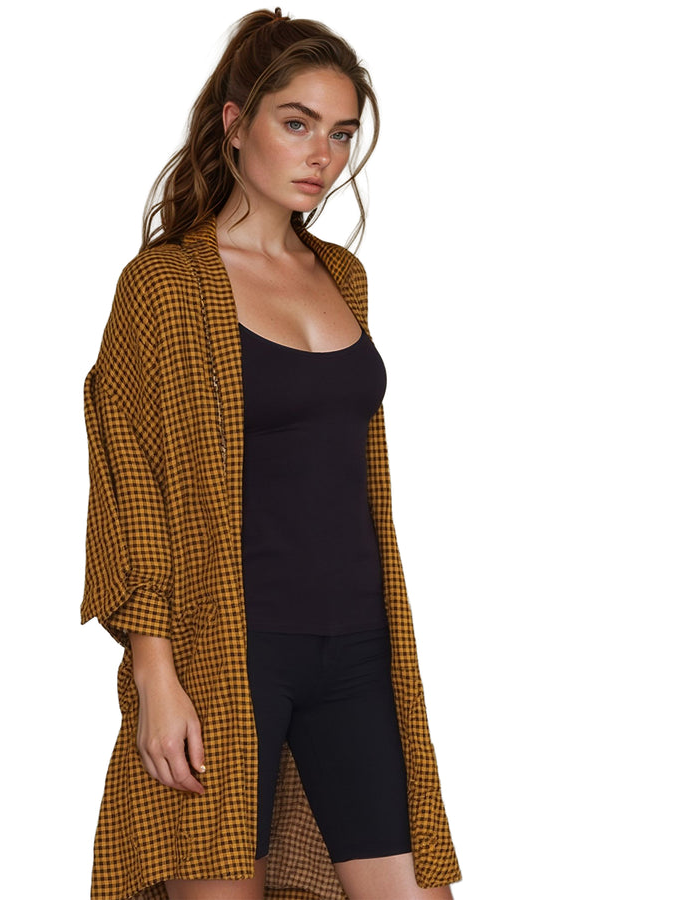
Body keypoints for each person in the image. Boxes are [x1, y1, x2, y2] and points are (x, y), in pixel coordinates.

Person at [82, 9, 461, 899]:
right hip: (227, 651)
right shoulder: (166, 285)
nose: (322, 155)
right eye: (297, 123)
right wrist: (154, 672)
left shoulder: (343, 276)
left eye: (342, 133)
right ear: (234, 122)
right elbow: (129, 475)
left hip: (361, 648)